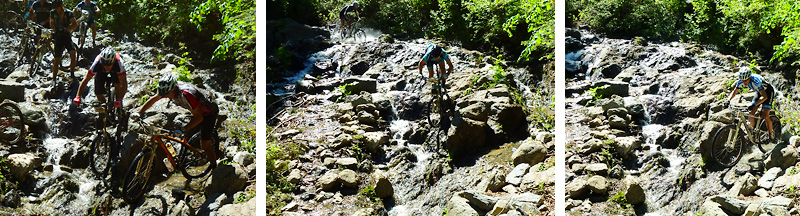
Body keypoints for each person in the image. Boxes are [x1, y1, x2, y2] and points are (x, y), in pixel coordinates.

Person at [136, 73, 220, 169]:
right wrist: (140, 112)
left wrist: (183, 129)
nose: (165, 97)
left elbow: (199, 117)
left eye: (167, 95)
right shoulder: (168, 89)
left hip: (208, 111)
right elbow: (153, 99)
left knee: (205, 144)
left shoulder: (187, 95)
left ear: (174, 89)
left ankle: (214, 167)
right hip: (195, 107)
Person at [724, 66, 776, 140]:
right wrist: (728, 100)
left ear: (750, 78)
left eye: (746, 80)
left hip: (767, 92)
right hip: (759, 92)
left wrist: (755, 104)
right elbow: (735, 91)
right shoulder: (741, 81)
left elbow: (765, 97)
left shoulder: (756, 81)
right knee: (751, 112)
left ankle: (771, 134)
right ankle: (751, 132)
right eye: (743, 80)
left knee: (765, 116)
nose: (744, 82)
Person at [49, 0, 78, 80]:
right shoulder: (53, 12)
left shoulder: (68, 13)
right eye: (55, 8)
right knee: (57, 59)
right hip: (58, 36)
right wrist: (53, 29)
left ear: (61, 5)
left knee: (73, 53)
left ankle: (72, 74)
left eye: (57, 7)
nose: (56, 9)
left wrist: (66, 29)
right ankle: (54, 78)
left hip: (66, 36)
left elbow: (75, 24)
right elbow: (51, 22)